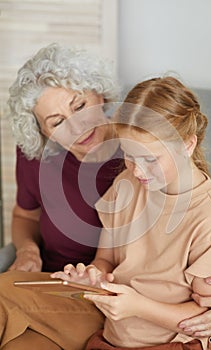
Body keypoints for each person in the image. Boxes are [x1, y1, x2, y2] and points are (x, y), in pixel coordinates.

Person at [52, 77, 211, 350]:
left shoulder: (210, 224)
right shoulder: (127, 183)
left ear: (187, 145)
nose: (137, 171)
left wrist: (137, 306)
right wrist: (93, 276)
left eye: (150, 159)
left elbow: (205, 317)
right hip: (111, 339)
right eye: (129, 155)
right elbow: (106, 258)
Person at [0, 43, 124, 350]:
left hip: (114, 300)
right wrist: (28, 250)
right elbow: (25, 214)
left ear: (99, 94)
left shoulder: (144, 151)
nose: (76, 125)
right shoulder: (35, 158)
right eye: (56, 122)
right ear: (43, 133)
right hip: (51, 286)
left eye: (79, 106)